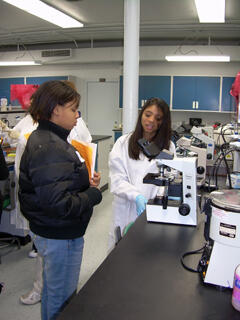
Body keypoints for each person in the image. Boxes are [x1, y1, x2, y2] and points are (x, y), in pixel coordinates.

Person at [18, 80, 102, 320]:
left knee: (56, 294)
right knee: (60, 298)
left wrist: (84, 182)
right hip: (59, 235)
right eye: (74, 109)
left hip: (55, 232)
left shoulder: (50, 138)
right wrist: (93, 195)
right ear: (56, 109)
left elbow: (56, 185)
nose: (77, 115)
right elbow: (59, 204)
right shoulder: (49, 146)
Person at [108, 97, 176, 248]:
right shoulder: (123, 143)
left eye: (158, 118)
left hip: (153, 209)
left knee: (147, 255)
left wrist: (156, 199)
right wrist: (137, 196)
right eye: (148, 114)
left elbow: (169, 179)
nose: (151, 120)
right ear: (141, 115)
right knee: (119, 256)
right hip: (124, 209)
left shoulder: (168, 147)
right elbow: (117, 179)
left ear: (163, 122)